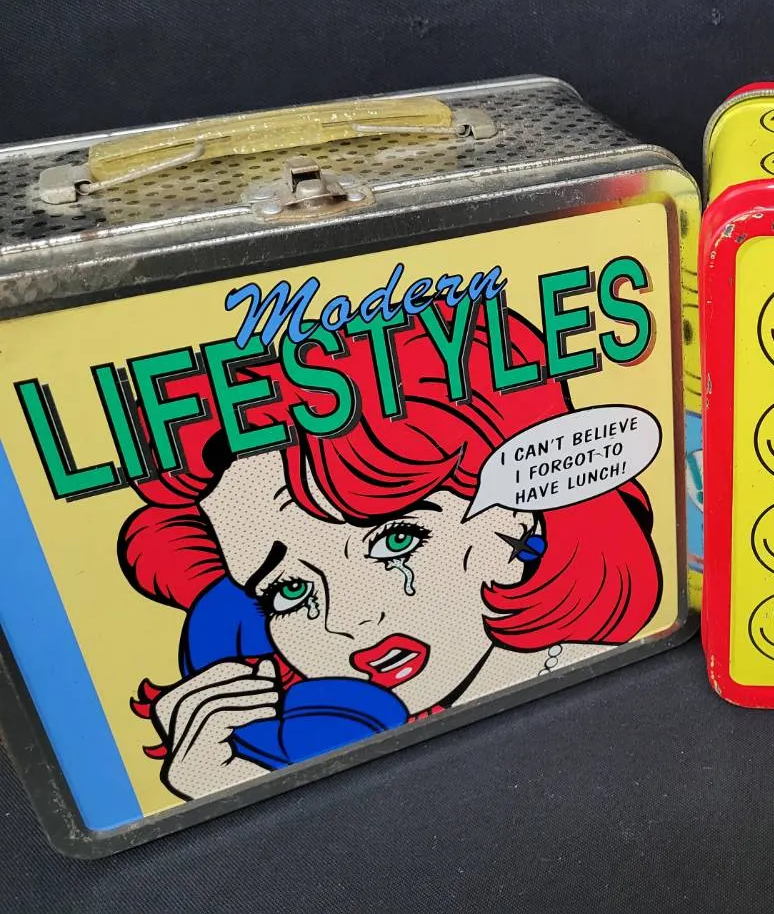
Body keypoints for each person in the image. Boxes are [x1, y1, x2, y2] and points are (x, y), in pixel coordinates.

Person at [121, 303, 662, 800]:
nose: (347, 622)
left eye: (396, 541)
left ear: (514, 519)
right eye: (289, 591)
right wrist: (234, 783)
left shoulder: (617, 688)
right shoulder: (337, 723)